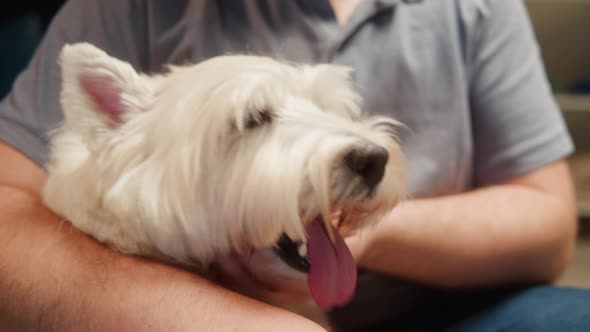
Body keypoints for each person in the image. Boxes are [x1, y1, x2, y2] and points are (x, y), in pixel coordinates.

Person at [0, 0, 588, 331]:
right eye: (254, 121)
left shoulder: (475, 9)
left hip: (444, 314)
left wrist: (371, 238)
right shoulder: (128, 11)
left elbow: (547, 225)